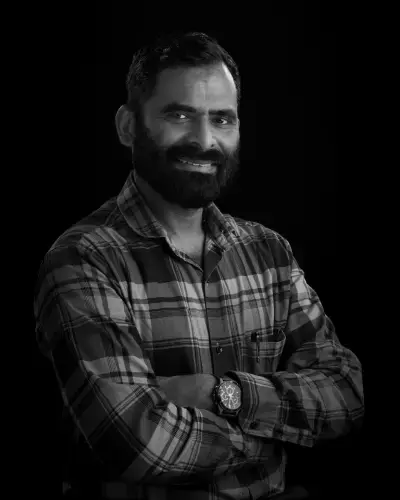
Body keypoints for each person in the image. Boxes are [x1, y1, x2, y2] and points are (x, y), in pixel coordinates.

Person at [33, 31, 364, 500]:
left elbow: (346, 393)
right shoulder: (83, 259)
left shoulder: (269, 252)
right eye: (179, 115)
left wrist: (223, 394)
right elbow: (136, 445)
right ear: (127, 126)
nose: (204, 140)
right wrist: (275, 436)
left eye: (222, 119)